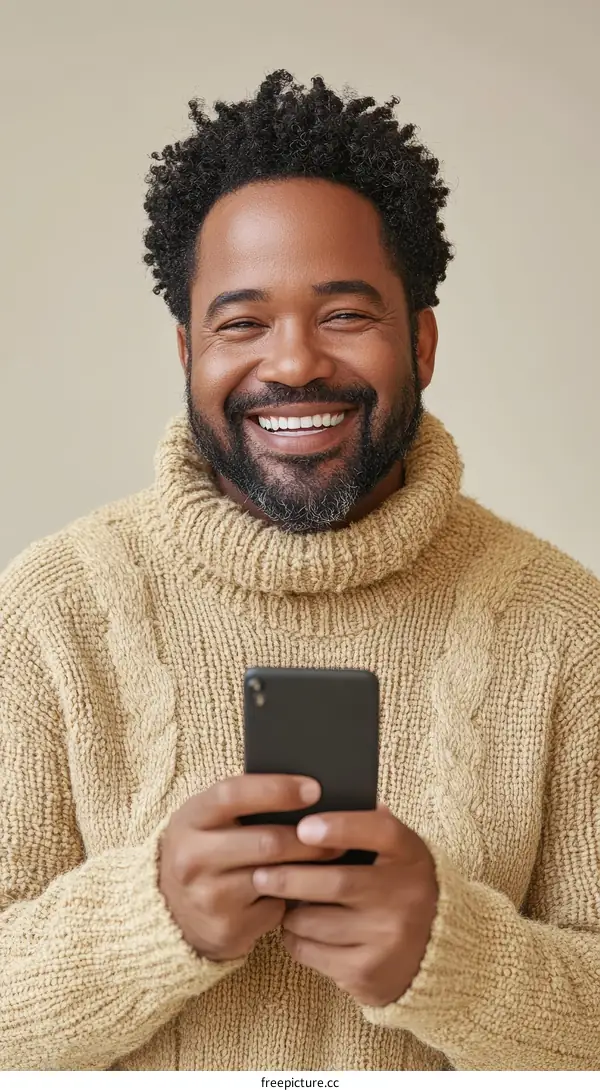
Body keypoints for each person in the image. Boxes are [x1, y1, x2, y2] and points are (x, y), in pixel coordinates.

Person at [0, 69, 598, 1074]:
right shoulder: (50, 611)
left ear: (424, 340)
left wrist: (452, 957)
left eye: (344, 313)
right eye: (241, 322)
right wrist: (153, 918)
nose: (293, 363)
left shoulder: (568, 628)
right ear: (188, 349)